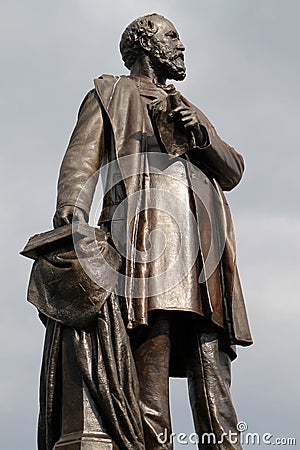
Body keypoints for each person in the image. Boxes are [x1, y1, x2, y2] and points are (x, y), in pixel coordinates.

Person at [54, 13, 253, 449]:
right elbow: (81, 159)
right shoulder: (110, 95)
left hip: (205, 249)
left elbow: (234, 169)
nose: (181, 47)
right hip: (148, 243)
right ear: (146, 44)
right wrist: (71, 210)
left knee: (213, 370)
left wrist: (201, 135)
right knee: (152, 364)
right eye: (173, 37)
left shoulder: (187, 106)